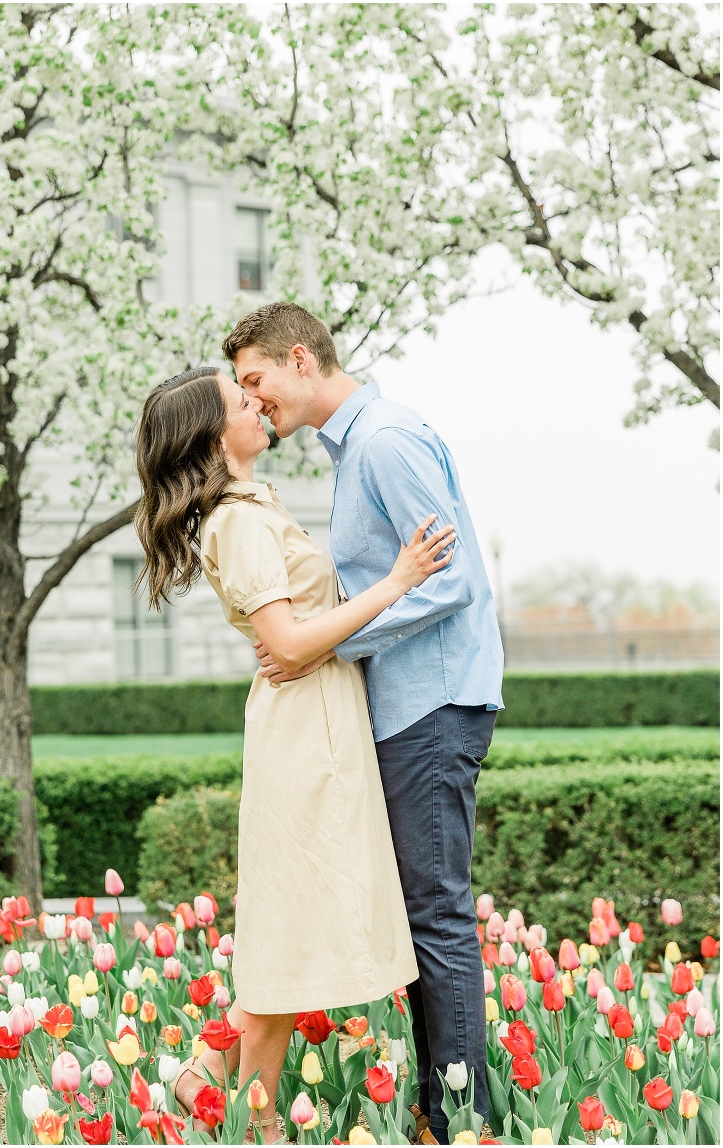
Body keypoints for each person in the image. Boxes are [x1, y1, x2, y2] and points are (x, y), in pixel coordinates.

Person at [133, 365, 457, 1142]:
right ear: (213, 434)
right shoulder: (238, 521)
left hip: (318, 723)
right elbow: (285, 643)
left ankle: (224, 1088)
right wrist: (398, 582)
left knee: (295, 928)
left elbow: (293, 635)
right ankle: (255, 1117)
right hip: (303, 738)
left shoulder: (252, 507)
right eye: (239, 398)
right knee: (288, 930)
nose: (256, 403)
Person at [223, 303, 504, 1145]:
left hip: (432, 702)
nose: (254, 399)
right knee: (423, 918)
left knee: (436, 917)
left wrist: (329, 648)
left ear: (299, 359)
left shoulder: (382, 441)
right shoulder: (352, 451)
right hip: (406, 705)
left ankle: (460, 1122)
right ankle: (438, 1110)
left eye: (255, 380)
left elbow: (451, 580)